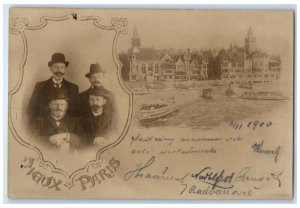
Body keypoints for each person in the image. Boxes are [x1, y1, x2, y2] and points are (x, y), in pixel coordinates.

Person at [27, 53, 80, 124]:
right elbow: (31, 109)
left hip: (67, 128)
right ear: (51, 68)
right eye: (56, 67)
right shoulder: (40, 86)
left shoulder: (73, 88)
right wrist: (38, 125)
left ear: (65, 69)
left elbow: (77, 111)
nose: (59, 70)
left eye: (62, 67)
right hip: (44, 128)